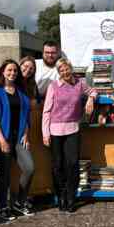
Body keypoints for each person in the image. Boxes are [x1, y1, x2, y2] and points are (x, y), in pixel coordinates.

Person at [42, 58, 97, 213]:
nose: (65, 72)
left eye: (67, 69)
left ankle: (72, 197)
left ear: (71, 69)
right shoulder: (53, 87)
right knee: (57, 165)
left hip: (73, 129)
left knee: (72, 164)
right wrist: (45, 133)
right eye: (61, 70)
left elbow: (93, 91)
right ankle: (61, 196)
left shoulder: (80, 83)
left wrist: (91, 99)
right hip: (55, 131)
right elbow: (46, 111)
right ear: (58, 72)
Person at [0, 59, 35, 220]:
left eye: (15, 70)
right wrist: (2, 140)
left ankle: (19, 202)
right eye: (9, 70)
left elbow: (26, 117)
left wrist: (26, 135)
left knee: (29, 168)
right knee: (4, 174)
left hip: (18, 138)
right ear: (2, 72)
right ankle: (3, 206)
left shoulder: (21, 93)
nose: (12, 73)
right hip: (2, 138)